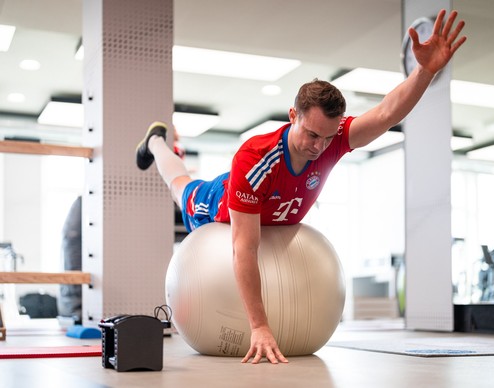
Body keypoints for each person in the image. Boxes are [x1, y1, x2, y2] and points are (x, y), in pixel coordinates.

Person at [136, 9, 466, 364]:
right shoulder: (256, 159)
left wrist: (426, 71)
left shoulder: (333, 138)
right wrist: (260, 326)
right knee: (180, 184)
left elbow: (386, 113)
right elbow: (244, 249)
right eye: (311, 134)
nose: (318, 146)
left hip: (274, 220)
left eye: (326, 137)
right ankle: (156, 143)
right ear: (293, 116)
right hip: (218, 206)